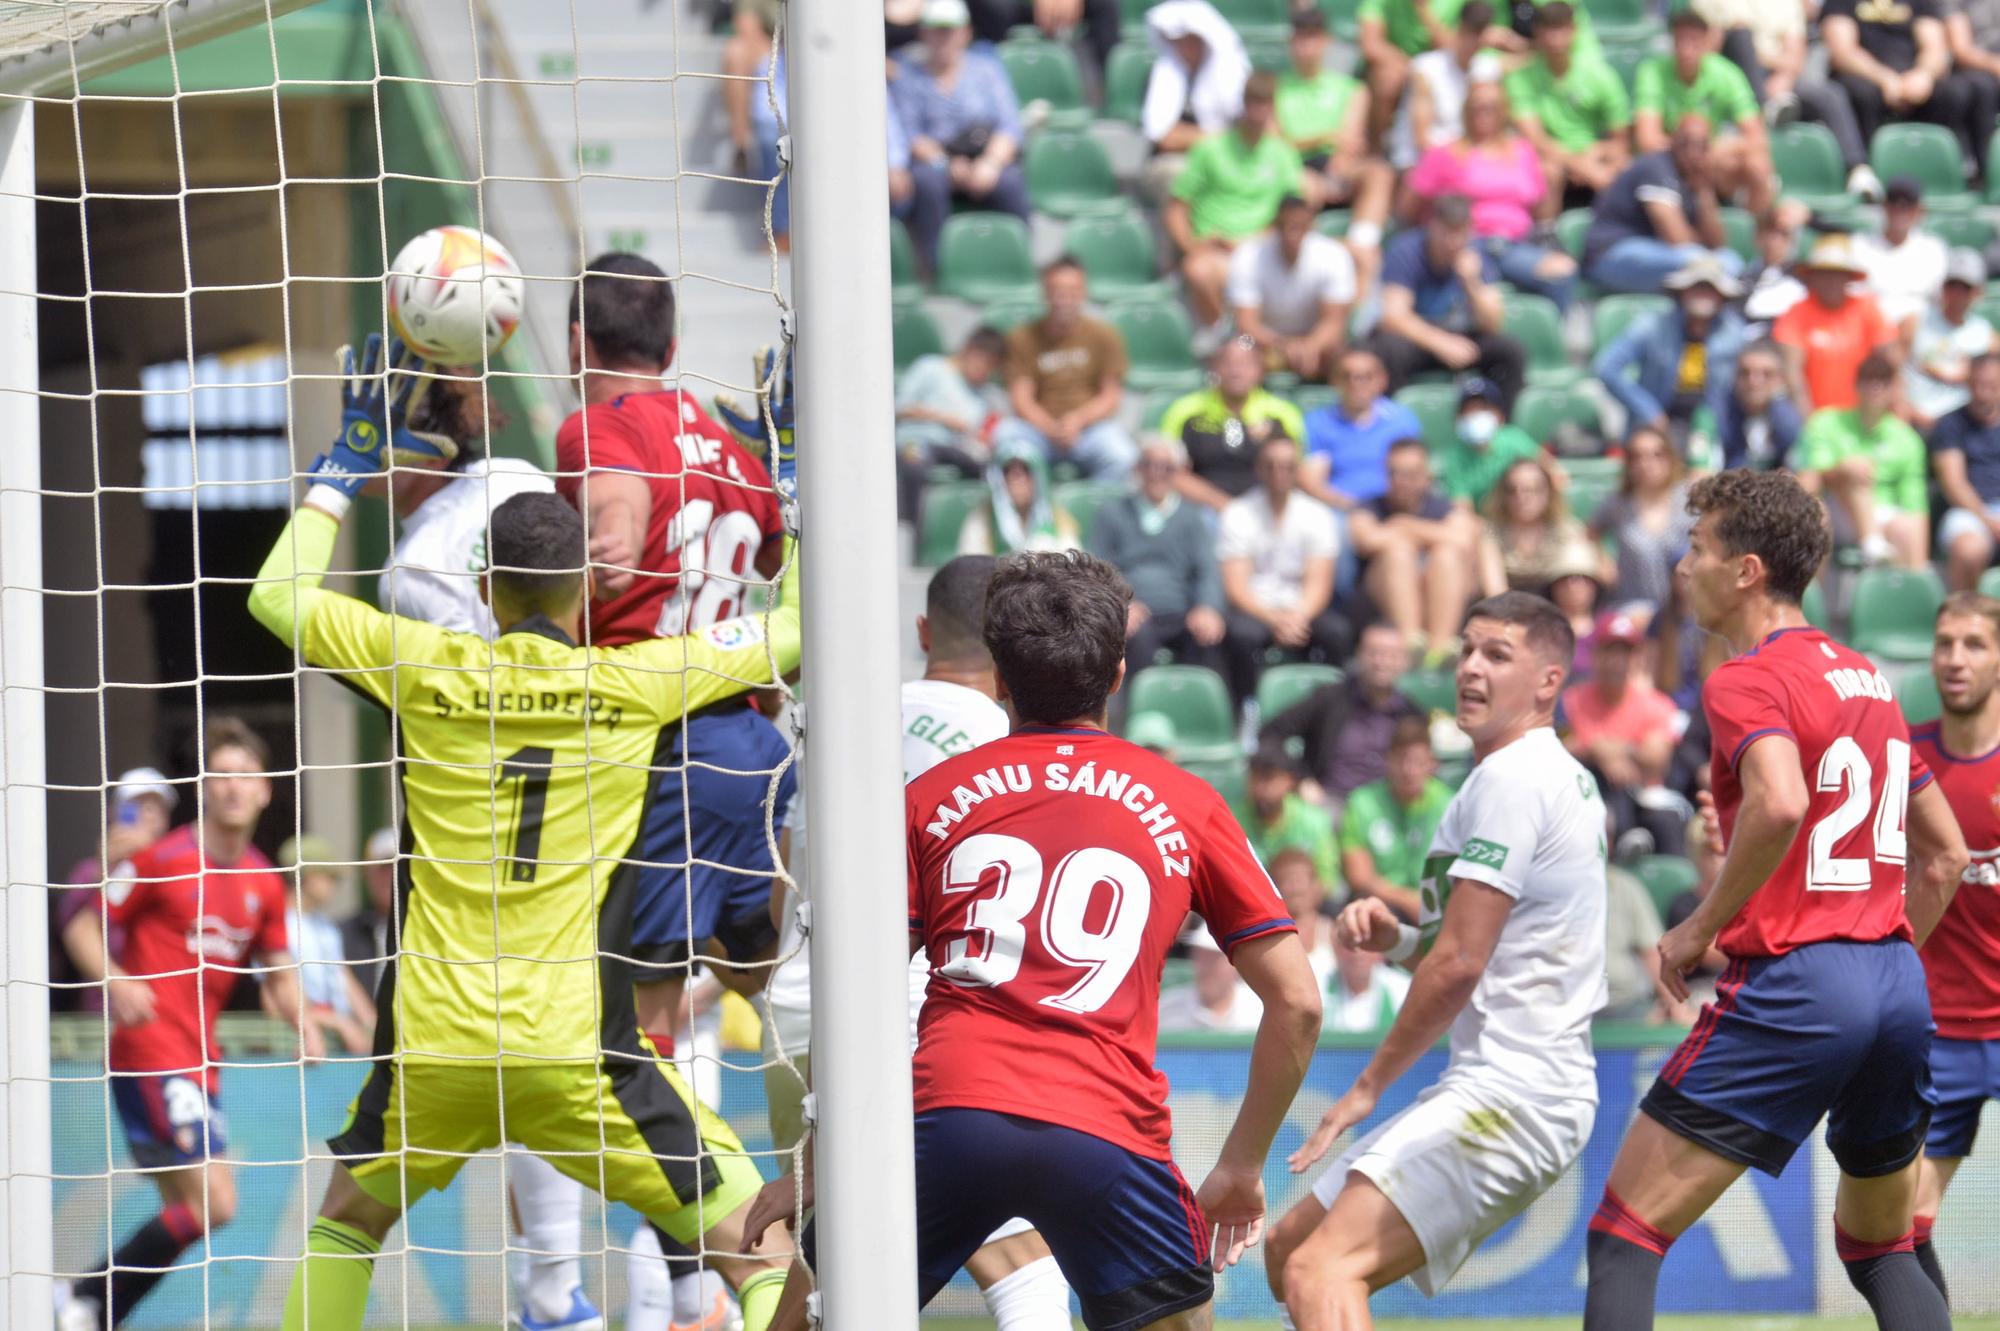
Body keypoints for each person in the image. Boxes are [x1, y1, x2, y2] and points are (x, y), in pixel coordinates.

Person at [251, 403, 802, 1331]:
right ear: (584, 584)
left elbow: (274, 597)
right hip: (577, 1054)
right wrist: (785, 484)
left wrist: (340, 475)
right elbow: (790, 628)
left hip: (434, 1045)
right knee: (760, 1244)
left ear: (482, 580)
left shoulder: (422, 665)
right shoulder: (640, 681)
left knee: (346, 1226)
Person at [749, 549, 1325, 1330]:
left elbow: (858, 1000)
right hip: (1104, 1123)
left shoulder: (927, 798)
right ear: (1119, 675)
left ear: (997, 679)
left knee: (811, 1314)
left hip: (951, 1111)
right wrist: (1241, 1165)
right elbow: (1298, 1003)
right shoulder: (1190, 804)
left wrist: (817, 1171)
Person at [1582, 468, 1966, 1331]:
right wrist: (1880, 953)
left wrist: (1698, 926)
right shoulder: (1869, 678)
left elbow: (1782, 800)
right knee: (1882, 1248)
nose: (1684, 568)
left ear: (1747, 569)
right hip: (1899, 981)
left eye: (1697, 548)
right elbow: (1941, 856)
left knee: (1623, 1232)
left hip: (1799, 983)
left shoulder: (1743, 680)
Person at [552, 258, 792, 1331]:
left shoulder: (596, 429)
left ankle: (715, 1276)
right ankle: (751, 1252)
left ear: (574, 340)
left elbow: (610, 542)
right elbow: (773, 551)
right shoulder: (736, 447)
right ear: (673, 331)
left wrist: (598, 559)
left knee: (631, 1038)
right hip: (754, 744)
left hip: (659, 748)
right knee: (751, 975)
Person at [1269, 592, 1606, 1329]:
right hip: (1509, 1085)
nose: (1471, 668)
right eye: (1467, 650)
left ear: (1550, 681)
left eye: (1498, 654)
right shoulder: (1523, 777)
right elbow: (1450, 939)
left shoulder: (1514, 779)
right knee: (1285, 1247)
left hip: (1516, 1093)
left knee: (1319, 1268)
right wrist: (1393, 938)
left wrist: (1365, 1088)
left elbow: (1458, 961)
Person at [758, 555, 1078, 1331]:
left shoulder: (841, 717)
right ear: (1011, 648)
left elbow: (784, 895)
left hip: (794, 1010)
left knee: (820, 1262)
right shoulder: (1013, 739)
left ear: (924, 630)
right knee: (1022, 1259)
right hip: (912, 1012)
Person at [56, 718, 317, 1331]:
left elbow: (278, 972)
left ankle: (89, 1310)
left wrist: (301, 1020)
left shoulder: (263, 883)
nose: (232, 787)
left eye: (244, 776)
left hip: (201, 1061)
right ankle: (85, 1300)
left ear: (266, 791)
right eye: (221, 774)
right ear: (204, 787)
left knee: (190, 1208)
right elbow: (78, 920)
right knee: (214, 1202)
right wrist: (116, 979)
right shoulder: (163, 859)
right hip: (150, 1050)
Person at [1909, 593, 2000, 1306]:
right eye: (1944, 643)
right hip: (1940, 1027)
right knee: (1901, 1225)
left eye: (1973, 643)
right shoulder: (1903, 762)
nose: (1956, 659)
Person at [1406, 79, 1578, 310]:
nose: (1483, 113)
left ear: (1503, 112)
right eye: (1476, 107)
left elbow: (1540, 207)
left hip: (1514, 245)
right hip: (1466, 243)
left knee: (1562, 271)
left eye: (1491, 107)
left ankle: (1552, 341)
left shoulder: (1523, 151)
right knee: (1469, 277)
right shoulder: (1445, 153)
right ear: (1466, 110)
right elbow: (1408, 206)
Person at [890, 0, 1031, 266]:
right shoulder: (909, 75)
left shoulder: (986, 69)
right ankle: (934, 265)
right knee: (927, 183)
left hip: (985, 156)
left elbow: (1009, 125)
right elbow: (911, 133)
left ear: (965, 32)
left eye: (950, 30)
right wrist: (945, 163)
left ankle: (1019, 263)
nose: (944, 38)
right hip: (937, 161)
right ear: (923, 33)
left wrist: (990, 163)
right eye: (936, 30)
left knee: (1011, 183)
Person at [1168, 71, 1313, 329]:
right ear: (1244, 104)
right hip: (1216, 251)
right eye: (1253, 103)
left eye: (1265, 104)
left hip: (1264, 251)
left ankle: (1245, 343)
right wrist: (1191, 244)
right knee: (1199, 270)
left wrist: (1260, 239)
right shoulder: (1210, 149)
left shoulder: (1282, 154)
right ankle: (1228, 339)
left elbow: (1293, 211)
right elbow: (1177, 207)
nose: (1258, 112)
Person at [1218, 434, 1350, 707]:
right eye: (1271, 465)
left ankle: (1333, 709)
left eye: (1288, 466)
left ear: (1298, 470)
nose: (1279, 473)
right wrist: (1274, 619)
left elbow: (1319, 583)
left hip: (1302, 609)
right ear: (1258, 468)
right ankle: (1245, 710)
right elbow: (1237, 587)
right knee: (1242, 635)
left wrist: (1296, 617)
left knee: (1336, 632)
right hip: (1256, 610)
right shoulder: (1237, 513)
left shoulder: (1317, 515)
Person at [1695, 0, 1877, 198]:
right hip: (1731, 78)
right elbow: (1711, 46)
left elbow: (1796, 53)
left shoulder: (1787, 4)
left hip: (1781, 77)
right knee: (1741, 39)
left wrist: (1783, 79)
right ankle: (1765, 147)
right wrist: (1770, 63)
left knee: (1830, 95)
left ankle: (1858, 168)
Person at [1364, 194, 1526, 406]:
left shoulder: (1476, 256)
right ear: (1433, 225)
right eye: (1447, 231)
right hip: (1418, 339)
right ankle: (1394, 419)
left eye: (1459, 232)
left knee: (1510, 350)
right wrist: (1440, 343)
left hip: (1459, 337)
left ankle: (1502, 423)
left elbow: (1492, 324)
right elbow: (1393, 316)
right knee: (1388, 348)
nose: (1452, 241)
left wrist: (1471, 282)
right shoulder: (1406, 251)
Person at [1823, 0, 1996, 196]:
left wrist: (1923, 75)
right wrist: (1885, 79)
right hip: (1866, 75)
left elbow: (1934, 47)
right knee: (1861, 94)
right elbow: (1843, 52)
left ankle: (1941, 172)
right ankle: (1867, 173)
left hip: (1912, 76)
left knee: (1955, 93)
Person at [1089, 434, 1227, 677]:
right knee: (1133, 641)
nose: (1156, 473)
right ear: (1137, 468)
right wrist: (1121, 605)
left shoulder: (1192, 518)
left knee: (1208, 637)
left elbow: (1207, 569)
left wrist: (1207, 607)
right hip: (1135, 614)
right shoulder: (1113, 513)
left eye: (1166, 467)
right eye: (1149, 465)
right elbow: (1096, 569)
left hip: (1181, 612)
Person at [1274, 8, 1391, 288]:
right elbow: (1276, 143)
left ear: (1325, 41)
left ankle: (1361, 242)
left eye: (1312, 38)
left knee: (1379, 174)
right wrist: (1324, 136)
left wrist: (1338, 152)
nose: (1305, 47)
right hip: (1295, 168)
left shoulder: (1351, 89)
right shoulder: (1276, 89)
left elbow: (1348, 139)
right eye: (1300, 38)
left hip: (1335, 166)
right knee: (1305, 187)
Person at [997, 256, 1138, 482]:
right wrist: (1051, 428)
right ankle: (1030, 513)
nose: (1064, 299)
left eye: (1072, 291)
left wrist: (1077, 421)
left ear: (1084, 292)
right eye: (1056, 290)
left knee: (1123, 456)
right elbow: (1021, 398)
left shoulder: (1104, 335)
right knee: (1006, 440)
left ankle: (1095, 512)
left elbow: (1111, 396)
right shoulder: (1022, 338)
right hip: (1039, 430)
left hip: (1089, 430)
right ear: (1044, 292)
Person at [1591, 253, 1746, 448]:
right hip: (1661, 427)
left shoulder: (1734, 334)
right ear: (1682, 292)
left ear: (1722, 296)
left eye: (1710, 289)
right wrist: (1649, 411)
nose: (1702, 295)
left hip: (1714, 428)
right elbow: (1606, 367)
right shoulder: (1653, 326)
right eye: (1696, 288)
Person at [1632, 9, 1774, 218]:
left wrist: (1716, 149)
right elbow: (1647, 139)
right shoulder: (1652, 72)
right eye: (1681, 41)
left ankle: (1751, 233)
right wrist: (1692, 151)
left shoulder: (1727, 74)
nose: (1687, 50)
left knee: (1758, 164)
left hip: (1711, 162)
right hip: (1668, 161)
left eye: (1694, 41)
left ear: (1707, 41)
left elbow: (1757, 136)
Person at [1350, 438, 1486, 652]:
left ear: (1426, 476)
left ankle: (1440, 648)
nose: (1402, 481)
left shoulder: (1442, 507)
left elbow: (1464, 539)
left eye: (1410, 474)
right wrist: (1428, 535)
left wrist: (1404, 525)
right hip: (1378, 603)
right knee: (1398, 554)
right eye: (1395, 472)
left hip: (1436, 595)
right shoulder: (1369, 506)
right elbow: (1366, 539)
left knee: (1447, 555)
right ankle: (1409, 645)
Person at [1797, 350, 1930, 569]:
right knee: (1853, 471)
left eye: (1883, 381)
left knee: (1908, 526)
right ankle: (1872, 544)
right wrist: (1842, 470)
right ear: (1856, 384)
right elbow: (1811, 477)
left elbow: (1914, 501)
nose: (1875, 388)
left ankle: (1916, 587)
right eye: (1868, 380)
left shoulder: (1907, 438)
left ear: (1893, 388)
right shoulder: (1825, 422)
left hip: (1884, 511)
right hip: (1834, 510)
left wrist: (1920, 559)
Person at [1581, 117, 1742, 296]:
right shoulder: (1656, 167)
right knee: (1695, 261)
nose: (1693, 152)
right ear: (1672, 141)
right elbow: (1677, 239)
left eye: (1702, 145)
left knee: (1732, 262)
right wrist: (1702, 248)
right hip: (1612, 254)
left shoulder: (1697, 178)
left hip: (1662, 253)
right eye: (1686, 143)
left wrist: (1704, 191)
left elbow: (1717, 243)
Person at [1263, 622, 1419, 802]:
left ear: (1404, 662)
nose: (1381, 662)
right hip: (1331, 803)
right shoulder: (1331, 698)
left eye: (1391, 655)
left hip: (1387, 809)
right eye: (1374, 653)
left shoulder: (1412, 714)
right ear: (1358, 655)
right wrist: (1301, 779)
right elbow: (1270, 733)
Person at [1562, 609, 1684, 838]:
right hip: (1586, 795)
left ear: (1636, 658)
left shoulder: (1656, 704)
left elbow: (1655, 759)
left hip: (1643, 798)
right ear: (1595, 654)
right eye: (1609, 652)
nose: (1616, 662)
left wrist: (1608, 748)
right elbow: (1559, 750)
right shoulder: (1571, 700)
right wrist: (1597, 750)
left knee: (1667, 823)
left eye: (1624, 653)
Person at [1506, 2, 1631, 215]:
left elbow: (1620, 139)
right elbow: (1535, 140)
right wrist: (1582, 166)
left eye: (1561, 29)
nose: (1555, 39)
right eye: (1549, 29)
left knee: (1626, 166)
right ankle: (1546, 232)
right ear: (1538, 32)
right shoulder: (1520, 79)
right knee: (1547, 170)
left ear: (1574, 31)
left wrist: (1595, 154)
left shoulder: (1599, 75)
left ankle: (1618, 226)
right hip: (1550, 157)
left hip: (1591, 155)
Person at [1160, 335, 1307, 511]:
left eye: (1245, 363)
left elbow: (1295, 471)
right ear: (1214, 367)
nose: (1236, 371)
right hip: (1202, 508)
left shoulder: (1282, 414)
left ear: (1260, 370)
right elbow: (1170, 472)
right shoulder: (1184, 410)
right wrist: (1225, 506)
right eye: (1228, 363)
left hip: (1266, 509)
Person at [1228, 194, 1357, 382]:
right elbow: (1247, 324)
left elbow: (1334, 323)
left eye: (1299, 226)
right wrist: (1284, 345)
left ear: (1310, 225)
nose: (1292, 233)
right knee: (1239, 349)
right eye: (1286, 225)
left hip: (1316, 344)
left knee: (1346, 357)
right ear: (1275, 225)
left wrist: (1310, 346)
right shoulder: (1248, 256)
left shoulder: (1334, 256)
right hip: (1263, 344)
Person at [1337, 713, 1452, 923]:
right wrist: (1409, 901)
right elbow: (1359, 877)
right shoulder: (1362, 803)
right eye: (1401, 760)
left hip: (1436, 906)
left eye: (1418, 762)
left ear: (1432, 764)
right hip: (1383, 905)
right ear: (1388, 759)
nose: (1409, 771)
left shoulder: (1448, 804)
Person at [1772, 234, 1898, 415]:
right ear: (1812, 278)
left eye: (1838, 274)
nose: (1831, 281)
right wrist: (1812, 424)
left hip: (1862, 415)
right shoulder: (1796, 313)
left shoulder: (1868, 308)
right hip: (1814, 414)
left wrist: (1891, 412)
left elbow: (1890, 364)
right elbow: (1793, 376)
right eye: (1824, 273)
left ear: (1848, 278)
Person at [1140, 0, 1251, 197]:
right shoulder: (1160, 76)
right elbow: (1164, 137)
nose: (1184, 48)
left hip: (1223, 158)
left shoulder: (1228, 77)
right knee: (1186, 177)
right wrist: (1219, 138)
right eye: (1177, 41)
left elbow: (1247, 126)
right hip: (1172, 161)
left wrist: (1191, 136)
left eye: (1190, 40)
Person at [279, 834, 376, 1057]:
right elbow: (275, 997)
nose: (334, 885)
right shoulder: (279, 924)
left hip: (338, 1041)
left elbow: (344, 979)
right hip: (295, 1042)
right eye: (330, 877)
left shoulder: (326, 927)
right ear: (310, 876)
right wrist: (339, 1023)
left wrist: (375, 1028)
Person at [896, 324, 1007, 519]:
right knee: (914, 464)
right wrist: (941, 418)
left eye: (992, 367)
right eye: (985, 363)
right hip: (917, 440)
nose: (985, 372)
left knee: (994, 470)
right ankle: (909, 530)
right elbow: (898, 409)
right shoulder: (930, 368)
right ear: (970, 350)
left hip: (957, 448)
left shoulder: (982, 394)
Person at [1587, 425, 1695, 612]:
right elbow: (1590, 533)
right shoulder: (1618, 504)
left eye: (1657, 455)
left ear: (1671, 458)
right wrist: (1603, 561)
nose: (1647, 463)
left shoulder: (1690, 501)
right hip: (1633, 606)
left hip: (1684, 610)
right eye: (1638, 457)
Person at [1300, 346, 1422, 511]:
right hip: (1338, 510)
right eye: (1347, 376)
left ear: (1382, 380)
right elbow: (1312, 481)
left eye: (1366, 377)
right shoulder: (1318, 423)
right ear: (1334, 381)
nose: (1356, 383)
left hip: (1394, 510)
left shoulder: (1402, 420)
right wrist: (1353, 508)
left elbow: (1415, 475)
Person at [1390, 2, 1505, 170]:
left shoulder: (1489, 70)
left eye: (1480, 32)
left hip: (1470, 163)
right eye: (1470, 31)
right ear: (1459, 29)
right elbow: (1422, 140)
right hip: (1422, 164)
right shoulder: (1425, 68)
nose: (1474, 39)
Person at [1905, 248, 1997, 434]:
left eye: (1965, 288)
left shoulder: (1987, 336)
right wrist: (1908, 410)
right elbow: (1893, 371)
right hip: (1916, 418)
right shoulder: (1914, 323)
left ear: (1978, 292)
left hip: (1965, 426)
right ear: (1942, 287)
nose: (1957, 294)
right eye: (1952, 285)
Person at [1852, 177, 1950, 338]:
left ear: (1920, 210)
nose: (1900, 210)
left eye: (1908, 205)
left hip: (1922, 336)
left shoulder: (1933, 249)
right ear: (1884, 207)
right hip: (1871, 335)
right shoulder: (1859, 245)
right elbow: (1853, 302)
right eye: (1894, 203)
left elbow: (1942, 302)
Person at [1487, 455, 1599, 595]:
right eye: (1512, 490)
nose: (1521, 497)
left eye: (1531, 490)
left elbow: (1581, 588)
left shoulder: (1568, 531)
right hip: (1506, 606)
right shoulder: (1490, 534)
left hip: (1557, 606)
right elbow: (1495, 594)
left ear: (1548, 493)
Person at [1436, 376, 1545, 511]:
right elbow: (1462, 507)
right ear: (1458, 418)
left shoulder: (1515, 439)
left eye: (1483, 409)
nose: (1475, 415)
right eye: (1469, 410)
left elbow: (1551, 472)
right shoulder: (1455, 457)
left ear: (1500, 416)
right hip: (1484, 527)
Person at [1238, 743, 1339, 887]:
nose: (1260, 787)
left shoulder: (1315, 821)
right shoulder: (1232, 822)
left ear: (1290, 780)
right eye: (1255, 777)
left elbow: (1328, 880)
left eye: (1268, 778)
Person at [959, 440, 1084, 556]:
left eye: (1025, 469)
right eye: (1007, 470)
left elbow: (1072, 564)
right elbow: (971, 564)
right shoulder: (983, 517)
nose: (1016, 478)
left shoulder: (1057, 518)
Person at [1714, 339, 1803, 471]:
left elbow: (1806, 477)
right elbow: (1701, 474)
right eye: (1745, 373)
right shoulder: (1716, 414)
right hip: (1729, 487)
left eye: (1767, 374)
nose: (1754, 382)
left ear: (1781, 380)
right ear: (1734, 377)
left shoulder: (1792, 420)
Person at [1159, 928, 1266, 1033]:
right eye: (1201, 957)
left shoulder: (1260, 1010)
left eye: (1214, 959)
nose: (1207, 967)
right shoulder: (1166, 1009)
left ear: (1236, 963)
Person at [1323, 924, 1413, 1035]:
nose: (1358, 954)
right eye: (1350, 945)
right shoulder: (1318, 988)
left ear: (1380, 950)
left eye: (1365, 945)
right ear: (1335, 950)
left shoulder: (1404, 990)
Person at [342, 825, 398, 997]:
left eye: (398, 868)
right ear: (367, 874)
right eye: (383, 868)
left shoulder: (429, 931)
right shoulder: (345, 934)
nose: (391, 876)